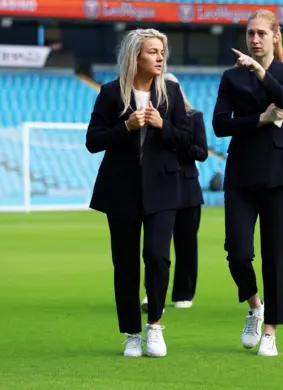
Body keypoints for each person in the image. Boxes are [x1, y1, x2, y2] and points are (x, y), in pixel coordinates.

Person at [85, 28, 192, 357]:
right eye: (152, 52)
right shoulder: (110, 93)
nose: (160, 57)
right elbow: (93, 141)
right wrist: (126, 127)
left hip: (163, 189)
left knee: (158, 258)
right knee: (126, 263)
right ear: (135, 57)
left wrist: (164, 126)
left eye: (162, 51)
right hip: (121, 191)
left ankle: (155, 325)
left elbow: (190, 143)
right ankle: (132, 332)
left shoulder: (171, 93)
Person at [212, 9, 283, 357]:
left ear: (275, 36)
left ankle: (270, 330)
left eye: (262, 33)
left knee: (276, 254)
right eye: (250, 33)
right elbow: (220, 125)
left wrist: (261, 72)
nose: (255, 39)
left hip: (280, 171)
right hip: (242, 172)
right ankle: (255, 305)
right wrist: (258, 119)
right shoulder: (230, 77)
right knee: (237, 252)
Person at [140, 73, 208, 311]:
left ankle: (184, 293)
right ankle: (153, 292)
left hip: (187, 187)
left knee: (187, 243)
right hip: (159, 186)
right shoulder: (146, 118)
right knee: (157, 244)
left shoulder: (194, 116)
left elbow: (201, 152)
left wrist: (175, 141)